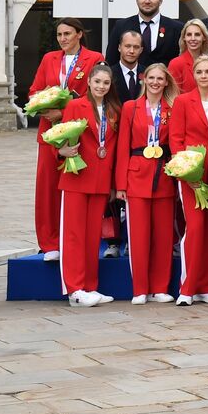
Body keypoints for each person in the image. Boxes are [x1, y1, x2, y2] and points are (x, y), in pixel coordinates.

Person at [27, 18, 105, 261]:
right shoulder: (49, 59)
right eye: (59, 34)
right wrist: (44, 104)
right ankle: (49, 243)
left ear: (79, 34)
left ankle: (71, 239)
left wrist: (63, 111)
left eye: (68, 33)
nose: (63, 38)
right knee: (47, 189)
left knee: (74, 187)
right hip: (49, 133)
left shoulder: (94, 58)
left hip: (79, 131)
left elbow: (95, 93)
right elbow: (34, 90)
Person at [115, 63, 179, 304]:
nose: (155, 82)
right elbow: (122, 146)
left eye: (160, 79)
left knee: (163, 236)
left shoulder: (172, 108)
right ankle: (140, 289)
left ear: (166, 82)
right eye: (151, 78)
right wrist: (121, 184)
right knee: (139, 236)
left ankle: (160, 287)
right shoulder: (130, 107)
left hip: (163, 175)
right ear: (144, 79)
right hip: (136, 175)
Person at [170, 55, 208, 305]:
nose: (204, 76)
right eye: (200, 72)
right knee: (195, 228)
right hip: (192, 175)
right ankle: (188, 287)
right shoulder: (183, 101)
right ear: (193, 75)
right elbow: (176, 139)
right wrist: (186, 171)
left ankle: (206, 286)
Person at [57, 64, 119, 308]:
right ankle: (74, 289)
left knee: (93, 236)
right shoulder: (75, 106)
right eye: (97, 82)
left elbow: (113, 149)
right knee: (73, 235)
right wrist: (61, 151)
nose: (101, 86)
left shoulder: (114, 110)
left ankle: (90, 286)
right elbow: (60, 137)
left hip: (100, 180)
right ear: (89, 82)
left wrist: (113, 184)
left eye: (106, 83)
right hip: (77, 177)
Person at [106, 0, 182, 67]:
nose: (147, 1)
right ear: (137, 0)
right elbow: (111, 60)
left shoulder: (176, 28)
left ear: (160, 1)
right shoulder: (121, 26)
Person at [168, 19, 208, 97]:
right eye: (189, 35)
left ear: (204, 37)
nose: (193, 38)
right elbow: (172, 96)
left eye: (197, 34)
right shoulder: (176, 63)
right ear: (184, 38)